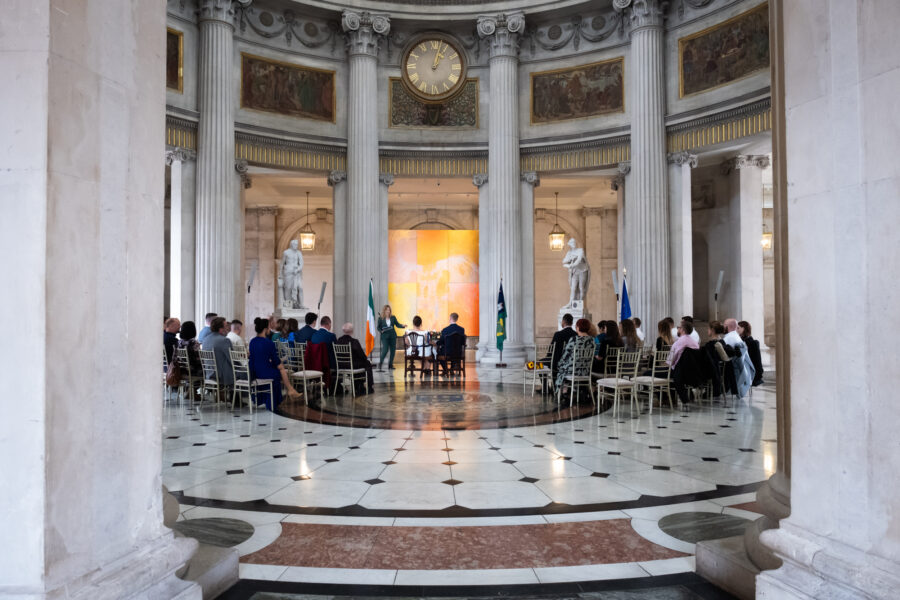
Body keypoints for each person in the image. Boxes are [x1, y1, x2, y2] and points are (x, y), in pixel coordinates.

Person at [247, 317, 300, 410]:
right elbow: (276, 360)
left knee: (279, 368)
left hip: (254, 372)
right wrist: (280, 363)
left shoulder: (252, 341)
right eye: (268, 328)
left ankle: (291, 390)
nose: (269, 330)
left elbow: (255, 357)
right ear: (265, 329)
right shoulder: (268, 343)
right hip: (264, 373)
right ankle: (290, 390)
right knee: (280, 369)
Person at [554, 318, 596, 394]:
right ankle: (576, 390)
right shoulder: (592, 340)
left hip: (572, 371)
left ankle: (563, 391)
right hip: (586, 371)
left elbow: (565, 355)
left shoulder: (574, 339)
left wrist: (559, 364)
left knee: (560, 368)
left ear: (578, 327)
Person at [336, 322, 375, 394]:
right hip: (352, 365)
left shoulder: (338, 340)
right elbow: (362, 356)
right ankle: (369, 387)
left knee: (362, 363)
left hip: (341, 365)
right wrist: (365, 359)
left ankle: (358, 386)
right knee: (367, 363)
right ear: (352, 331)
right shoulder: (354, 341)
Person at [201, 316, 234, 387]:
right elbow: (232, 359)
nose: (228, 329)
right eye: (226, 326)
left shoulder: (205, 339)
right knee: (246, 373)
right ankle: (239, 397)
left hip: (209, 373)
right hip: (222, 376)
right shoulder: (224, 340)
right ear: (221, 329)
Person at [547, 313, 577, 382]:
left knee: (541, 363)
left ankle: (547, 388)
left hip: (557, 362)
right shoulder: (575, 334)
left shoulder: (558, 334)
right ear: (572, 323)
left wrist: (548, 357)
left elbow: (551, 350)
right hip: (571, 362)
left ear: (563, 321)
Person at [377, 305, 406, 371]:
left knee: (393, 351)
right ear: (384, 310)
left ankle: (390, 364)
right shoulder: (381, 318)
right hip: (385, 336)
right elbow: (378, 327)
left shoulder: (393, 317)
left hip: (392, 336)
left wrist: (402, 326)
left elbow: (397, 324)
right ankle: (380, 363)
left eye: (389, 310)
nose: (388, 311)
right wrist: (381, 331)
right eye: (387, 310)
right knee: (385, 349)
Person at [738, 320, 764, 386]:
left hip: (751, 372)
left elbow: (756, 361)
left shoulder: (751, 343)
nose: (736, 329)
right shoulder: (742, 340)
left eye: (738, 328)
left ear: (743, 329)